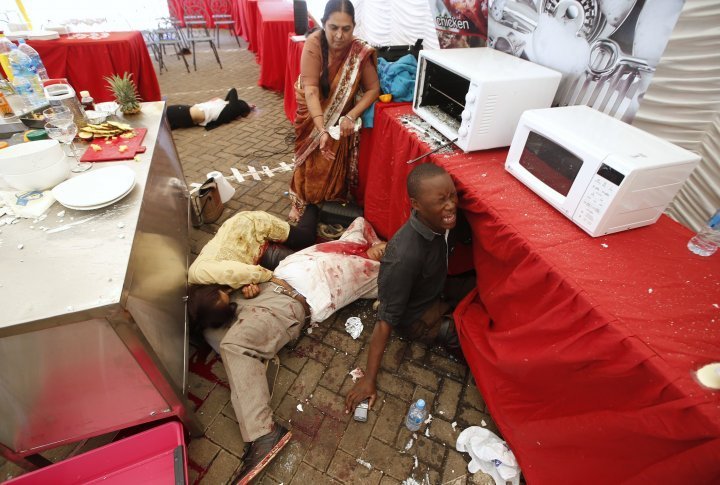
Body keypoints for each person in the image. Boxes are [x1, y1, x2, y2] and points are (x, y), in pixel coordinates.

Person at [188, 218, 386, 484]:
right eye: (385, 246)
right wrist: (249, 287)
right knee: (207, 324)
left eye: (388, 253)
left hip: (288, 304)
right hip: (267, 287)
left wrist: (387, 260)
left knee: (235, 345)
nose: (382, 251)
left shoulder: (366, 272)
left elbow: (396, 284)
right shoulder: (349, 242)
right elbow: (362, 221)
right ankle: (255, 358)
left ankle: (262, 433)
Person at [344, 163, 475, 415]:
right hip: (417, 318)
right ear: (416, 204)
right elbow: (385, 320)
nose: (450, 206)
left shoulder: (442, 222)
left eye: (452, 196)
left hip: (438, 289)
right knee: (470, 334)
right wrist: (369, 379)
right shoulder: (403, 255)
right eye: (441, 200)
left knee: (482, 290)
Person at [289, 0, 381, 222]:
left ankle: (329, 204)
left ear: (353, 27)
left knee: (332, 163)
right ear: (323, 24)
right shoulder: (313, 44)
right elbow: (310, 90)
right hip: (314, 114)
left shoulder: (359, 51)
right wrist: (321, 130)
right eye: (334, 28)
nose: (340, 35)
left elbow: (373, 89)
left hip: (339, 119)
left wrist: (351, 115)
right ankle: (300, 200)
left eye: (346, 29)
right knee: (310, 159)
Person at [188, 207, 318, 295]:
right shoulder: (204, 288)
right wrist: (249, 288)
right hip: (242, 241)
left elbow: (258, 273)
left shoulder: (202, 274)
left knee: (306, 238)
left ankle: (313, 206)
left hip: (250, 225)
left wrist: (290, 292)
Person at [166, 88, 254, 130]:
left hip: (185, 113)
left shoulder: (232, 110)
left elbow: (233, 90)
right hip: (186, 113)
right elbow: (231, 97)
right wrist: (247, 107)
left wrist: (246, 105)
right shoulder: (227, 109)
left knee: (160, 119)